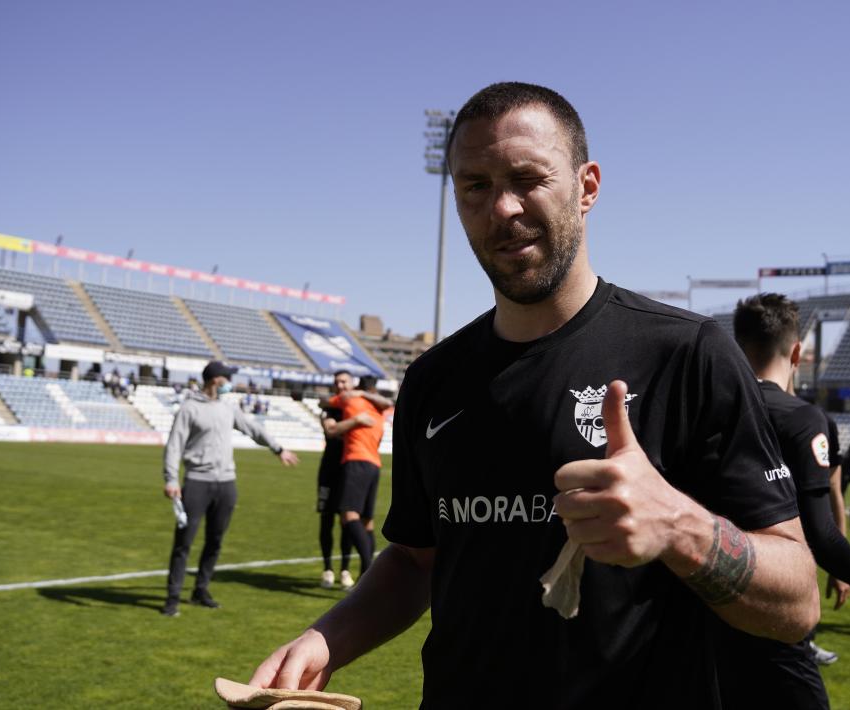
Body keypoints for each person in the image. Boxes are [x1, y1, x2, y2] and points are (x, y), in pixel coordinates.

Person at [248, 82, 819, 707]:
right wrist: (325, 639)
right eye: (476, 186)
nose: (502, 209)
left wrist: (681, 528)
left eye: (527, 178)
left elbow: (796, 603)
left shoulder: (687, 353)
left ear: (587, 187)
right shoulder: (434, 379)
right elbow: (415, 562)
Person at [723, 294, 850, 705]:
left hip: (707, 598)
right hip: (775, 601)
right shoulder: (803, 418)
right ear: (798, 352)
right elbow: (818, 529)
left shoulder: (713, 407)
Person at [162, 360, 299, 617]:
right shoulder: (189, 408)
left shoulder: (228, 407)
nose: (231, 384)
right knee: (184, 542)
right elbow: (174, 446)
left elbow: (253, 429)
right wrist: (171, 479)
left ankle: (200, 589)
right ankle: (172, 597)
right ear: (216, 380)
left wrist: (277, 448)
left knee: (215, 540)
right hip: (197, 482)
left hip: (226, 483)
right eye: (227, 379)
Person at [315, 371, 377, 590]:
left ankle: (344, 569)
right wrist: (356, 421)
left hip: (350, 470)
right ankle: (328, 569)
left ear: (352, 385)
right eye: (337, 382)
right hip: (329, 471)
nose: (340, 385)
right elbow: (330, 430)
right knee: (326, 519)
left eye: (344, 381)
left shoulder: (359, 404)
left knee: (348, 521)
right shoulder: (331, 408)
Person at [328, 375, 388, 581]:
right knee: (367, 522)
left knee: (349, 516)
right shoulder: (379, 410)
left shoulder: (350, 399)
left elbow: (326, 402)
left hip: (355, 461)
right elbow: (389, 403)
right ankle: (369, 576)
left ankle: (368, 569)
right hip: (374, 464)